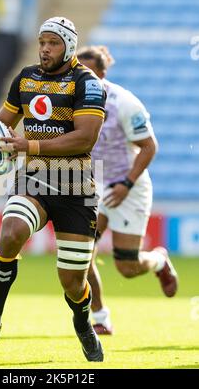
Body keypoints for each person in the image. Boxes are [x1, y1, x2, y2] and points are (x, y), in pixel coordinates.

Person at [0, 17, 107, 362]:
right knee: (11, 232)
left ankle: (83, 325)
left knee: (72, 282)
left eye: (53, 42)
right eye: (42, 41)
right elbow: (1, 124)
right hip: (34, 179)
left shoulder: (87, 84)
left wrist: (30, 145)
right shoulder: (25, 78)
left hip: (76, 184)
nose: (44, 48)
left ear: (69, 47)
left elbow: (85, 138)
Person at [77, 46, 178, 335]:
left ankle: (158, 259)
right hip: (92, 182)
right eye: (79, 73)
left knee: (127, 268)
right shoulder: (71, 101)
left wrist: (127, 184)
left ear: (103, 74)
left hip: (128, 183)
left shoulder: (124, 102)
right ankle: (100, 317)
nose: (83, 80)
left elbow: (149, 147)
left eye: (89, 73)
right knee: (80, 254)